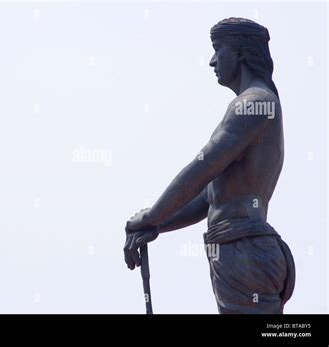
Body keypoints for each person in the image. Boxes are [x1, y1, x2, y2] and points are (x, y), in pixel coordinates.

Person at [123, 17, 295, 314]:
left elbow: (203, 168)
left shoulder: (254, 102)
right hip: (240, 250)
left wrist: (151, 215)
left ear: (240, 53)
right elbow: (209, 197)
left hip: (246, 251)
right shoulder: (255, 103)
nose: (212, 61)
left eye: (218, 49)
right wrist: (159, 224)